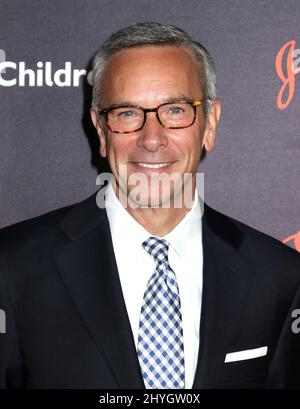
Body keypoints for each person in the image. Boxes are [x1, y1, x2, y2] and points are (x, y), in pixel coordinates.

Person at [0, 22, 300, 390]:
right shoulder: (12, 269)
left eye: (174, 111)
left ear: (210, 123)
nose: (152, 139)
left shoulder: (279, 276)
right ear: (101, 130)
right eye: (127, 113)